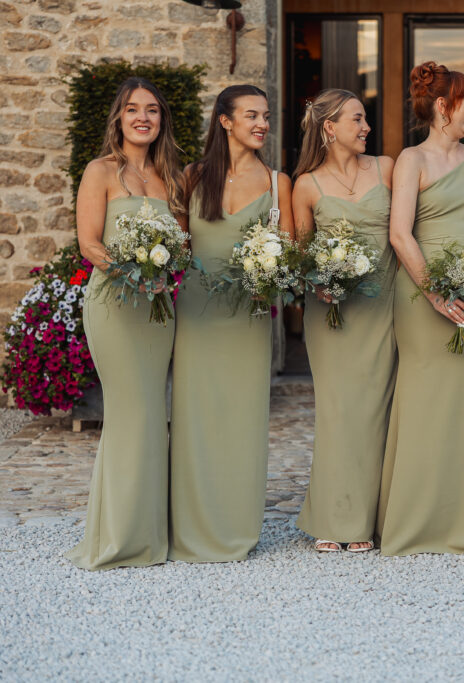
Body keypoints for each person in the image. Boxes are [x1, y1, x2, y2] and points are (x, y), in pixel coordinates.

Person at [377, 62, 464, 556]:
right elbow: (399, 232)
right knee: (426, 402)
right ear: (442, 106)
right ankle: (416, 523)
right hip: (423, 296)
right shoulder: (412, 160)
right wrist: (435, 292)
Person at [168, 85, 294, 563]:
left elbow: (291, 251)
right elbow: (177, 245)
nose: (261, 123)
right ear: (224, 121)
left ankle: (238, 525)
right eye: (251, 115)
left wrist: (272, 276)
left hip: (249, 314)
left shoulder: (277, 182)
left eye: (265, 115)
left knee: (243, 418)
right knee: (196, 417)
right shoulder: (192, 177)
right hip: (197, 312)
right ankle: (191, 525)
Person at [67, 77, 185, 570]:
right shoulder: (100, 171)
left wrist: (167, 269)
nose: (144, 117)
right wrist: (130, 272)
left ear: (162, 120)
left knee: (152, 412)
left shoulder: (171, 176)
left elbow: (182, 241)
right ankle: (116, 538)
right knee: (128, 411)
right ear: (118, 116)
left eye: (153, 110)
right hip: (115, 304)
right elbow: (89, 243)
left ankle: (149, 533)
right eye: (134, 109)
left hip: (158, 310)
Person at [292, 89, 395, 554]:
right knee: (338, 410)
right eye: (357, 119)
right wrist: (320, 282)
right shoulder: (306, 185)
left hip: (386, 305)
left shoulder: (387, 168)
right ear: (329, 127)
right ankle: (335, 518)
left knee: (377, 410)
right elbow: (301, 252)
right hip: (333, 313)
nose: (366, 127)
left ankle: (374, 518)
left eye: (366, 119)